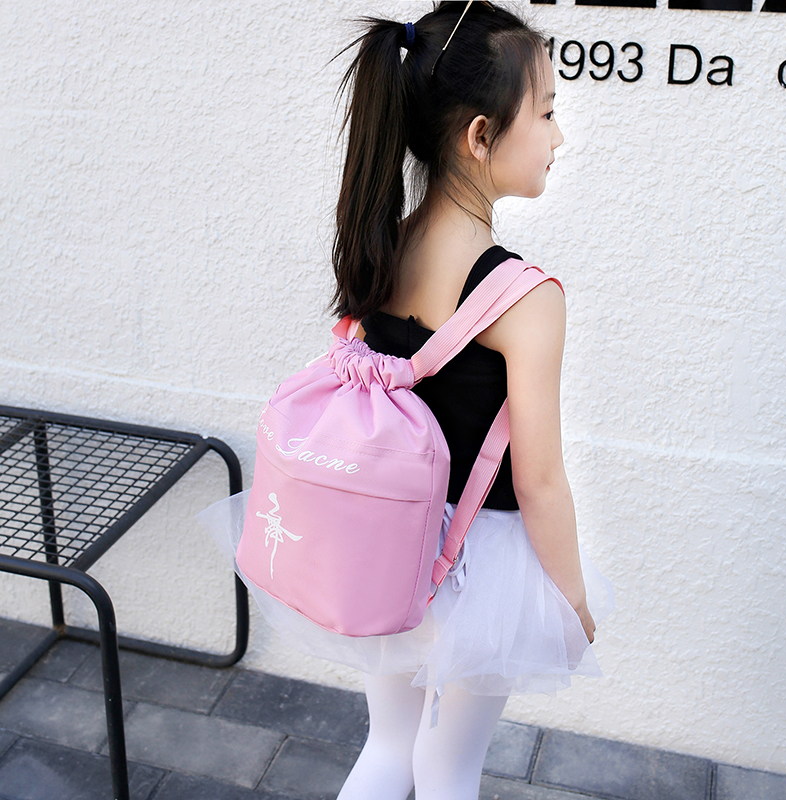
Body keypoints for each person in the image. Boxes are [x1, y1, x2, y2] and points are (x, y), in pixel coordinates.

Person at [199, 3, 612, 798]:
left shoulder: (383, 243)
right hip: (478, 570)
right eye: (548, 113)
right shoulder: (525, 298)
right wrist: (572, 603)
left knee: (388, 746)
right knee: (448, 768)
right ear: (481, 136)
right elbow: (539, 481)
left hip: (383, 547)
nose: (560, 137)